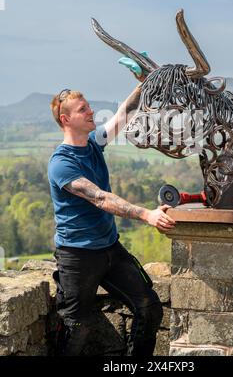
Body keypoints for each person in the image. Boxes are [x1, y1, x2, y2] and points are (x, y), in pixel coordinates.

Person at [48, 77, 175, 357]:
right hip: (77, 256)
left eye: (89, 106)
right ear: (66, 119)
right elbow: (100, 198)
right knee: (77, 328)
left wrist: (143, 85)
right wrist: (146, 215)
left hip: (109, 248)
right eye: (83, 109)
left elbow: (123, 115)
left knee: (149, 307)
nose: (91, 111)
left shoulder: (94, 143)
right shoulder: (61, 164)